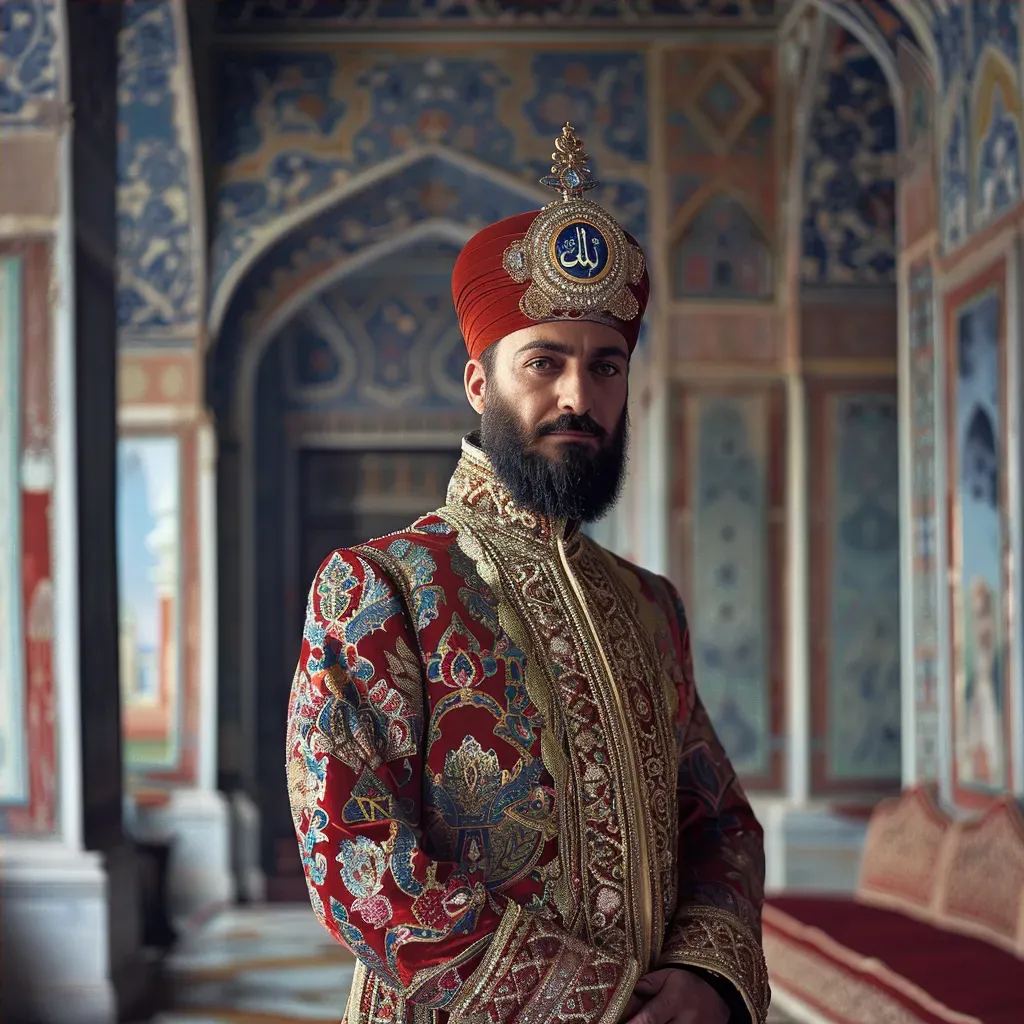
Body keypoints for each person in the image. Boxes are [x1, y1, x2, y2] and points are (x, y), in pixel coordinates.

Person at [286, 124, 770, 1024]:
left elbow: (721, 823)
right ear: (480, 383)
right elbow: (355, 859)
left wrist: (705, 978)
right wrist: (596, 1002)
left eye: (605, 366)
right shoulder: (379, 587)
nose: (577, 397)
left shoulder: (651, 605)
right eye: (543, 362)